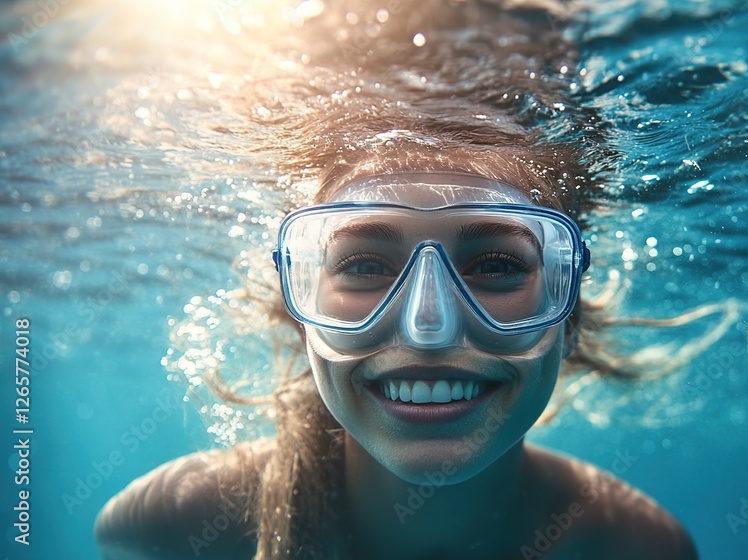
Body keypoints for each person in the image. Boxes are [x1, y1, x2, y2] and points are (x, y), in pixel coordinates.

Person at [94, 1, 701, 558]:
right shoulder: (166, 530)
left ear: (566, 318)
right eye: (363, 266)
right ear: (299, 311)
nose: (428, 328)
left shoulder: (636, 547)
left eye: (496, 265)